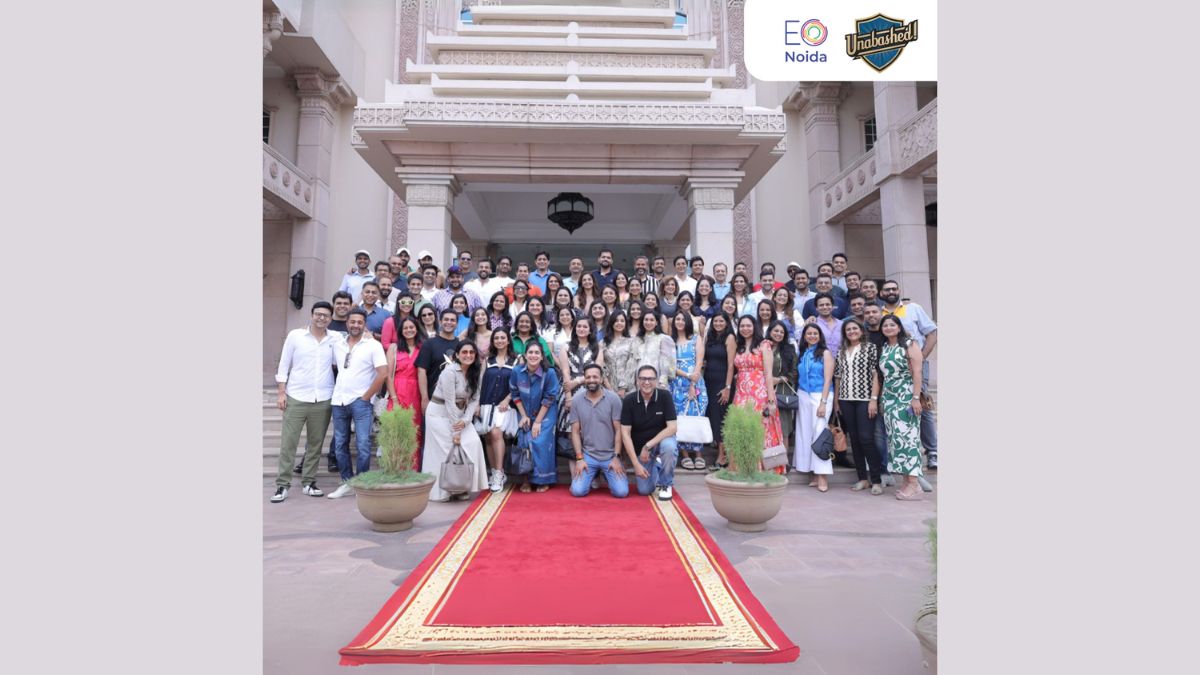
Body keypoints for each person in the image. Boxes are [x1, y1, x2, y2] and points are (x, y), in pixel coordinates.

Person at [272, 302, 342, 503]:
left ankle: (309, 482)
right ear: (311, 315)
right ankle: (282, 485)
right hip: (296, 396)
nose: (321, 318)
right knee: (289, 443)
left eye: (326, 315)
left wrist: (368, 335)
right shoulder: (296, 336)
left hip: (323, 398)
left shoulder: (336, 338)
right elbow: (284, 363)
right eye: (318, 314)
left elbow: (353, 344)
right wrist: (281, 392)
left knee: (315, 444)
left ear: (330, 318)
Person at [325, 309, 389, 499]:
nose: (355, 325)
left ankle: (361, 483)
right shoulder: (337, 344)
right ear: (347, 323)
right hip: (339, 400)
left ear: (364, 324)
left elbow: (383, 373)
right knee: (340, 444)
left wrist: (366, 397)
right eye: (352, 322)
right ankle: (347, 483)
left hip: (361, 402)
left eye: (360, 322)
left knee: (363, 444)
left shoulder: (373, 345)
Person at [880, 279, 939, 471]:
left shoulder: (913, 308)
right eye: (887, 289)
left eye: (893, 289)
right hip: (892, 369)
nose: (890, 292)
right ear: (881, 293)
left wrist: (919, 358)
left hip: (915, 366)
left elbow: (932, 333)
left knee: (921, 405)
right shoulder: (879, 313)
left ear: (899, 290)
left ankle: (932, 451)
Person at [425, 341, 490, 501]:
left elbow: (474, 400)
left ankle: (460, 487)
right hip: (439, 415)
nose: (468, 355)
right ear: (457, 355)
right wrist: (456, 432)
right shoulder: (449, 372)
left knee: (473, 442)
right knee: (446, 451)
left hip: (460, 415)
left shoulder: (476, 372)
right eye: (464, 352)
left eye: (471, 352)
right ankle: (444, 491)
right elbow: (449, 403)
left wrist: (466, 420)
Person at [878, 315, 925, 500]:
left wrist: (915, 398)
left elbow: (917, 372)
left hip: (906, 396)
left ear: (899, 327)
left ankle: (914, 483)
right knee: (897, 441)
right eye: (885, 325)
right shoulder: (885, 347)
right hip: (889, 398)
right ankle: (907, 482)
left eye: (892, 324)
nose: (889, 328)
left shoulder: (909, 344)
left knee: (909, 439)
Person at [833, 319, 883, 495]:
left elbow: (876, 375)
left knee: (866, 439)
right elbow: (838, 378)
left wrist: (873, 399)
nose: (852, 331)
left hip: (865, 400)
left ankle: (876, 480)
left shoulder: (870, 348)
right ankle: (862, 479)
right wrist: (836, 401)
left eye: (855, 328)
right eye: (848, 329)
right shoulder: (841, 351)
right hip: (845, 400)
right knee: (854, 439)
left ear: (861, 331)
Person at [731, 316, 783, 475]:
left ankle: (763, 470)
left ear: (755, 327)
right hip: (741, 394)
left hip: (759, 393)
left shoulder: (764, 345)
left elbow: (768, 374)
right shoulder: (739, 346)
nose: (745, 329)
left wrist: (771, 400)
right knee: (742, 430)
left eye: (748, 325)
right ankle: (744, 468)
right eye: (742, 326)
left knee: (761, 429)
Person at [568, 364, 629, 498]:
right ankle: (594, 474)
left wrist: (617, 457)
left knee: (621, 492)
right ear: (584, 379)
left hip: (610, 456)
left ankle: (606, 475)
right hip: (588, 456)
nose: (591, 380)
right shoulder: (577, 400)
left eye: (595, 377)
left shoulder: (613, 399)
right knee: (577, 491)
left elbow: (618, 430)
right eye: (588, 377)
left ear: (601, 379)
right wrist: (579, 458)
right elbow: (575, 432)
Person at [621, 365, 679, 500]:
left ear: (656, 380)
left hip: (660, 443)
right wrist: (636, 465)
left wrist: (648, 446)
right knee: (644, 490)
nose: (646, 382)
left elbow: (672, 428)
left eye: (650, 379)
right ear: (637, 380)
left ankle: (666, 484)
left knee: (669, 447)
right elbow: (625, 434)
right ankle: (658, 465)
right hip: (641, 451)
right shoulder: (629, 400)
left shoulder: (665, 396)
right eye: (643, 378)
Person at [557, 314, 604, 479]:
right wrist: (568, 396)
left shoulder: (597, 347)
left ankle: (593, 475)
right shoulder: (566, 347)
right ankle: (576, 476)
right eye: (579, 326)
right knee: (572, 434)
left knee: (590, 433)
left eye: (585, 326)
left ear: (590, 329)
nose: (581, 329)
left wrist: (577, 381)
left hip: (592, 392)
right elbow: (565, 372)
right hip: (570, 392)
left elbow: (597, 371)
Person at [509, 341, 560, 492]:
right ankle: (526, 479)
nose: (533, 355)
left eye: (537, 353)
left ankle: (542, 479)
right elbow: (514, 393)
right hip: (525, 411)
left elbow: (550, 398)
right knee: (524, 439)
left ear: (542, 356)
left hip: (545, 412)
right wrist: (524, 415)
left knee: (540, 440)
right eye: (530, 352)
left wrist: (537, 422)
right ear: (525, 355)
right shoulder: (517, 371)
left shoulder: (549, 373)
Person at [794, 323, 835, 490]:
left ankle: (822, 476)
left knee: (819, 433)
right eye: (809, 333)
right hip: (803, 395)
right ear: (804, 336)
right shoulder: (802, 353)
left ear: (820, 336)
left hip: (820, 395)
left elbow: (828, 379)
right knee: (805, 433)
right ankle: (811, 473)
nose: (812, 336)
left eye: (815, 333)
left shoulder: (825, 353)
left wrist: (823, 403)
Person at [416, 309, 463, 447]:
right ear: (440, 321)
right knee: (431, 440)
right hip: (434, 399)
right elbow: (421, 371)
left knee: (452, 439)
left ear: (457, 323)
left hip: (456, 401)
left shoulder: (461, 345)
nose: (449, 322)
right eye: (446, 319)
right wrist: (425, 398)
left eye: (452, 320)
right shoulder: (429, 344)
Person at [383, 315, 424, 471]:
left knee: (414, 433)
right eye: (405, 328)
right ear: (401, 331)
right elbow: (388, 375)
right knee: (395, 433)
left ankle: (413, 471)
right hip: (397, 392)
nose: (409, 330)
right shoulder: (394, 348)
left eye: (411, 327)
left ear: (417, 329)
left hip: (416, 393)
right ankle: (395, 471)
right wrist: (394, 398)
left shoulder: (423, 347)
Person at [670, 310, 707, 471]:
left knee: (697, 414)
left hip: (696, 382)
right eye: (677, 319)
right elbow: (670, 365)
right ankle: (684, 455)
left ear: (688, 322)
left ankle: (698, 454)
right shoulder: (670, 341)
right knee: (680, 417)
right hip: (677, 383)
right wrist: (686, 375)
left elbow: (699, 361)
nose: (680, 322)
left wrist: (692, 382)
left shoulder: (696, 339)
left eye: (683, 319)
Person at [480, 329, 516, 492]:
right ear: (493, 341)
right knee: (488, 436)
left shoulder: (517, 360)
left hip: (505, 405)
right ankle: (494, 471)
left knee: (496, 433)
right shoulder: (487, 360)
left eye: (503, 337)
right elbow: (480, 383)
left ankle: (499, 473)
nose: (500, 340)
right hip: (487, 403)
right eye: (496, 338)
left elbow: (519, 383)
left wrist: (507, 399)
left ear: (508, 340)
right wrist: (477, 404)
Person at [703, 311, 736, 470]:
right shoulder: (710, 338)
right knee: (713, 418)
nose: (718, 324)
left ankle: (722, 456)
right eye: (715, 321)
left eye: (721, 321)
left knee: (721, 419)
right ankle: (722, 454)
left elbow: (731, 365)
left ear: (727, 323)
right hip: (709, 383)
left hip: (722, 385)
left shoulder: (730, 338)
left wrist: (727, 387)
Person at [767, 320, 798, 450]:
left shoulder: (789, 349)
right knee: (766, 425)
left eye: (781, 332)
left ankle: (783, 460)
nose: (778, 334)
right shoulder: (762, 346)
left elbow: (794, 372)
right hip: (763, 390)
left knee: (783, 427)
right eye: (776, 331)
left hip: (782, 391)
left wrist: (779, 379)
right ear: (770, 331)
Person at [634, 310, 674, 390]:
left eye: (652, 320)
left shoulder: (663, 338)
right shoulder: (637, 339)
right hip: (639, 381)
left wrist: (662, 382)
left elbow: (666, 362)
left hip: (657, 381)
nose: (648, 322)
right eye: (646, 320)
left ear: (656, 322)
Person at [603, 310, 638, 399]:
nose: (619, 323)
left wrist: (623, 387)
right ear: (612, 323)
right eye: (616, 321)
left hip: (628, 389)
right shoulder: (604, 343)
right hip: (608, 388)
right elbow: (602, 366)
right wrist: (608, 387)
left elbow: (632, 365)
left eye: (622, 321)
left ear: (626, 323)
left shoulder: (632, 342)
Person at [805, 292, 844, 359]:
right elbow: (804, 346)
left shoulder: (842, 324)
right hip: (819, 361)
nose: (825, 307)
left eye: (827, 304)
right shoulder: (812, 324)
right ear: (816, 308)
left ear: (832, 306)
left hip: (841, 362)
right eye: (821, 305)